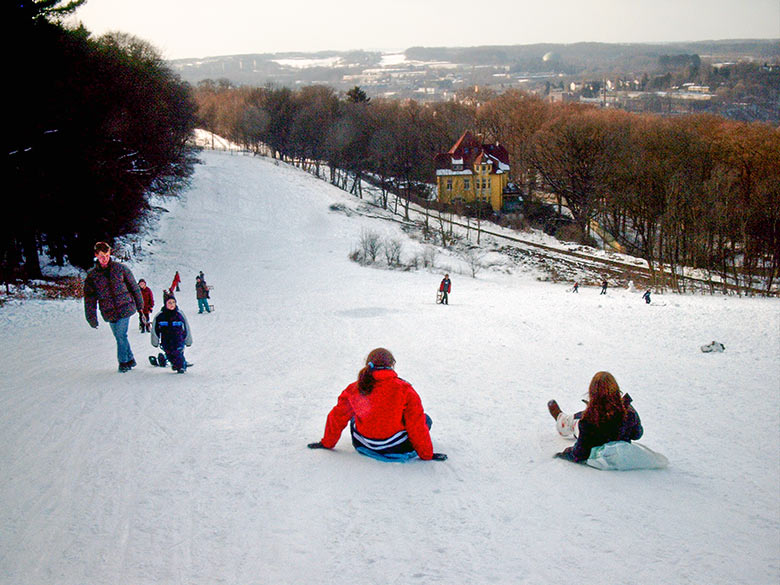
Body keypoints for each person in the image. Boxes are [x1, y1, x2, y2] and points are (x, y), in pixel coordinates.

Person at [308, 348, 447, 461]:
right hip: (396, 447)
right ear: (392, 364)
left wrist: (326, 443)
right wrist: (427, 455)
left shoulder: (355, 388)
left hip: (364, 444)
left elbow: (337, 416)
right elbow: (416, 424)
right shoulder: (404, 389)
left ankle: (371, 443)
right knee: (425, 419)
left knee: (353, 416)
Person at [547, 371, 643, 463]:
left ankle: (561, 419)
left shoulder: (588, 421)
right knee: (584, 417)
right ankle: (563, 419)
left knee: (573, 422)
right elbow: (637, 434)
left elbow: (580, 453)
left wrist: (564, 454)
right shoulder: (629, 413)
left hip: (598, 450)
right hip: (618, 447)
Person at [83, 241, 144, 373]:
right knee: (120, 336)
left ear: (110, 253)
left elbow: (134, 287)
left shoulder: (121, 269)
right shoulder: (92, 276)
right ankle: (131, 359)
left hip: (125, 307)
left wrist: (140, 305)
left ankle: (123, 362)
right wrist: (91, 317)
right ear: (96, 256)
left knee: (120, 335)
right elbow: (90, 299)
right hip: (109, 311)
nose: (104, 259)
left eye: (106, 255)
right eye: (100, 256)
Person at [151, 291, 193, 373]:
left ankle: (181, 366)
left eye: (173, 302)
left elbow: (186, 327)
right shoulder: (160, 316)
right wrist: (155, 341)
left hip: (178, 339)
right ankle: (175, 363)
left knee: (178, 352)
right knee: (170, 354)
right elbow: (155, 330)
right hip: (166, 340)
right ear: (165, 304)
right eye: (169, 303)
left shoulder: (179, 314)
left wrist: (188, 340)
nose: (172, 304)